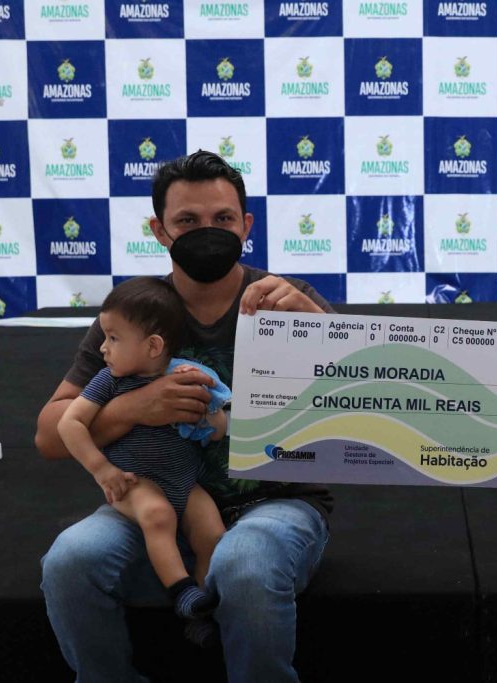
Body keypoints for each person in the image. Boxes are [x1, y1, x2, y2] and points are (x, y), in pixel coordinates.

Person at [35, 150, 335, 683]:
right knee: (69, 561)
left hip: (274, 502)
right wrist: (134, 408)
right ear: (160, 231)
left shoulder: (292, 302)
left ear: (246, 225)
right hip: (155, 499)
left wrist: (320, 326)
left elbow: (364, 405)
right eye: (188, 221)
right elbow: (49, 436)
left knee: (245, 564)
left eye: (223, 218)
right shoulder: (134, 312)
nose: (208, 231)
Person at [57, 277, 228, 647]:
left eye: (113, 338)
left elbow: (219, 430)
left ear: (153, 346)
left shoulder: (187, 375)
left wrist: (207, 414)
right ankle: (181, 592)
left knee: (212, 534)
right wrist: (102, 469)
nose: (102, 348)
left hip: (185, 482)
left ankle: (202, 612)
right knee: (158, 515)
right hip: (135, 482)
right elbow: (68, 424)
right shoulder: (107, 381)